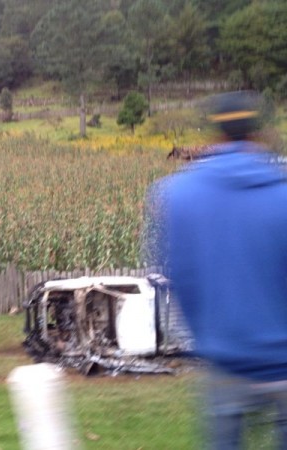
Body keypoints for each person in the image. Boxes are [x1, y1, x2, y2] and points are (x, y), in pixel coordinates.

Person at [145, 91, 287, 449]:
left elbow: (174, 275)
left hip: (224, 357)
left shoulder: (176, 193)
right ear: (257, 132)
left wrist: (203, 338)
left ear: (215, 134)